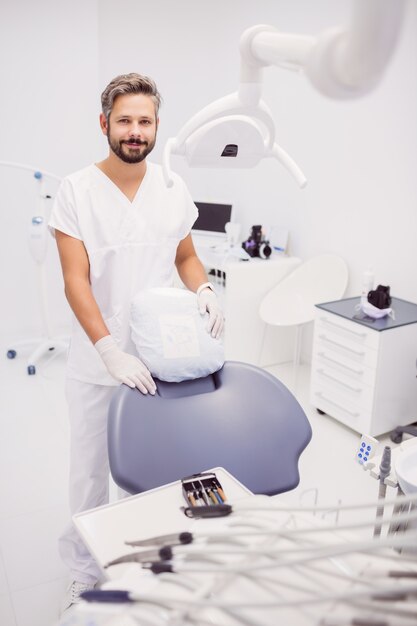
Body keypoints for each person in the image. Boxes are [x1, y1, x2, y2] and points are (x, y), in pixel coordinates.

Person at [48, 73, 224, 611]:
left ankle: (141, 562)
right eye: (124, 120)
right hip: (98, 361)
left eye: (144, 121)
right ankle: (84, 572)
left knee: (147, 468)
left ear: (156, 126)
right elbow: (75, 279)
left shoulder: (172, 188)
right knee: (89, 473)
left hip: (160, 357)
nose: (134, 131)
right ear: (105, 124)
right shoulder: (76, 190)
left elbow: (185, 255)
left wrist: (205, 287)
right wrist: (108, 349)